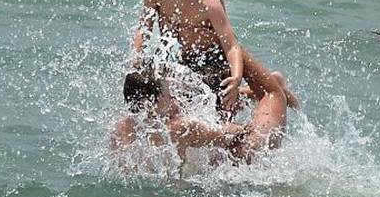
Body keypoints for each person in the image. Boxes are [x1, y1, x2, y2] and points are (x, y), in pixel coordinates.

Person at [131, 0, 298, 118]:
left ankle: (272, 91)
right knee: (176, 103)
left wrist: (235, 78)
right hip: (181, 58)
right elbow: (144, 29)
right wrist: (136, 60)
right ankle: (265, 87)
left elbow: (231, 45)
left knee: (217, 110)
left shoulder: (209, 4)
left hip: (213, 60)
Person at [112, 55, 288, 166]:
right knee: (271, 100)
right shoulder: (182, 127)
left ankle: (244, 93)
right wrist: (241, 128)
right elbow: (228, 134)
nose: (173, 99)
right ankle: (268, 89)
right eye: (168, 94)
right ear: (148, 103)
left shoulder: (118, 130)